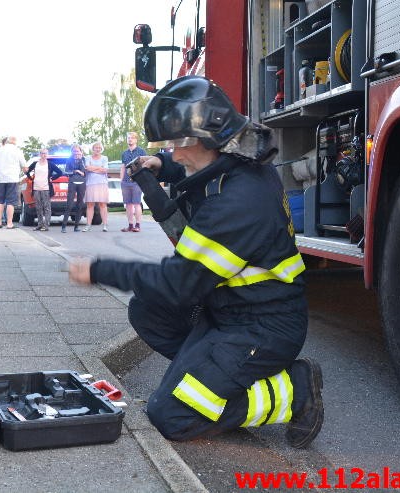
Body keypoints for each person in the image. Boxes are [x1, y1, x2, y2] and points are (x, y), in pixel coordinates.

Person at [68, 76, 323, 448]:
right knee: (148, 310)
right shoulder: (242, 162)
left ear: (210, 136)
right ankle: (207, 372)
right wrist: (164, 166)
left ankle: (295, 390)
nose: (175, 152)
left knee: (172, 416)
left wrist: (99, 270)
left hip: (262, 329)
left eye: (178, 144)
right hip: (232, 310)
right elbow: (204, 170)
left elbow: (178, 282)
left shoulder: (238, 205)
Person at [0, 135, 26, 229]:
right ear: (15, 142)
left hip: (0, 179)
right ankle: (9, 223)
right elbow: (24, 166)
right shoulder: (17, 150)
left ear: (7, 141)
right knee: (10, 202)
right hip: (12, 179)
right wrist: (24, 170)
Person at [26, 148, 63, 231]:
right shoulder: (35, 164)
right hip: (36, 188)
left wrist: (52, 178)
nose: (44, 155)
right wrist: (31, 178)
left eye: (45, 153)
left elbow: (59, 172)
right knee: (38, 207)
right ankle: (39, 224)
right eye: (42, 153)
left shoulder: (50, 164)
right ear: (40, 154)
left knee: (47, 207)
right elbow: (27, 171)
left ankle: (46, 225)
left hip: (46, 188)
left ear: (47, 154)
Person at [120, 131, 147, 232]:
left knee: (137, 203)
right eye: (128, 138)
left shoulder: (141, 152)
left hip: (137, 181)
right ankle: (130, 225)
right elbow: (122, 167)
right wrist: (121, 180)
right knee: (128, 204)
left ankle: (138, 225)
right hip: (126, 182)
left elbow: (145, 166)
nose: (130, 139)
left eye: (132, 138)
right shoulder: (124, 153)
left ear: (136, 140)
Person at [83, 141, 109, 232]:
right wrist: (99, 168)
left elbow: (105, 170)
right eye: (95, 147)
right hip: (90, 183)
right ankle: (88, 225)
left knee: (102, 204)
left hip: (102, 183)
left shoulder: (105, 158)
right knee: (90, 204)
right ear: (92, 149)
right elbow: (87, 168)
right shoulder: (87, 157)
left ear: (101, 149)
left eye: (99, 148)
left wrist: (92, 168)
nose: (97, 149)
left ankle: (105, 225)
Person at [60, 145, 87, 233]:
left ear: (81, 151)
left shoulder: (83, 160)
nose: (76, 153)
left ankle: (76, 226)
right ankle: (64, 226)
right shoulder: (69, 160)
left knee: (79, 205)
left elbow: (84, 172)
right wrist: (75, 171)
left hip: (82, 183)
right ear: (72, 152)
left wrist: (80, 161)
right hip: (72, 183)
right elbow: (66, 171)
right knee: (69, 205)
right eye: (74, 151)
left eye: (78, 151)